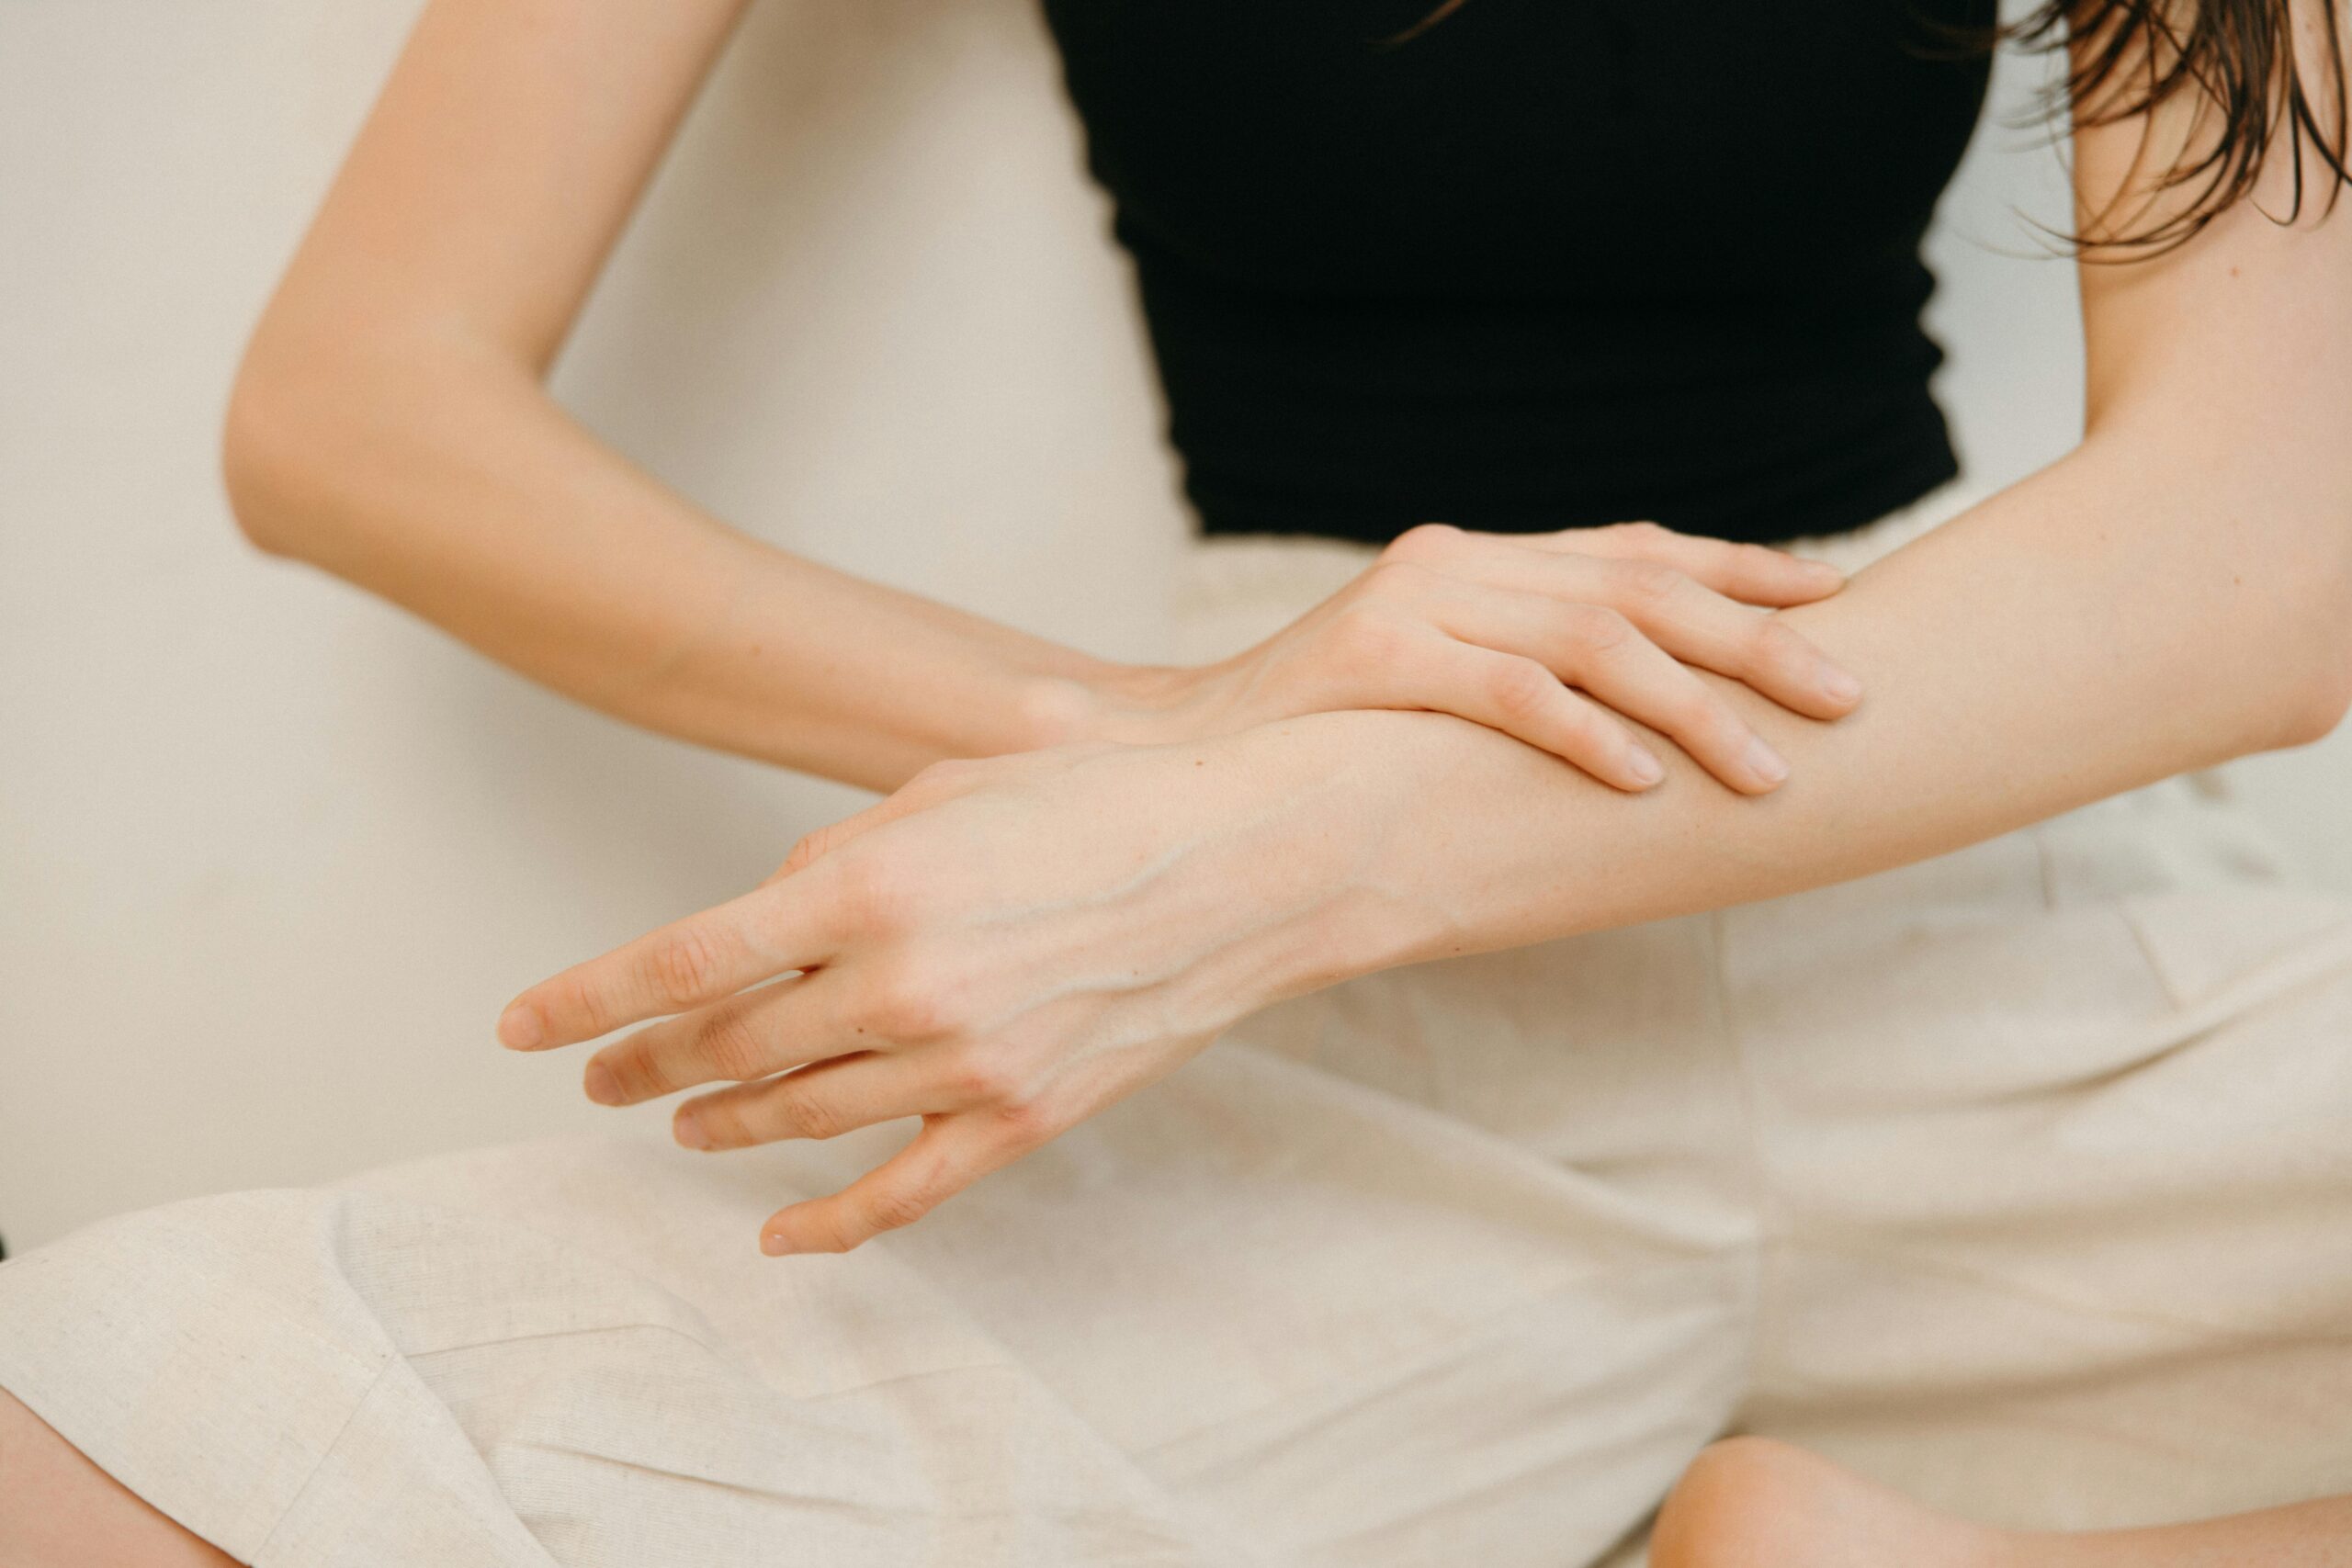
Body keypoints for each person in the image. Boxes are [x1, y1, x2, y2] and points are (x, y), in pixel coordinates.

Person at [3, 0, 2350, 1562]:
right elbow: (351, 408)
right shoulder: (1207, 848)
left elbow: (2261, 555)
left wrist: (1282, 838)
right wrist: (1150, 742)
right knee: (97, 1411)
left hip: (1977, 874)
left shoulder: (1268, 861)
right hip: (1342, 1085)